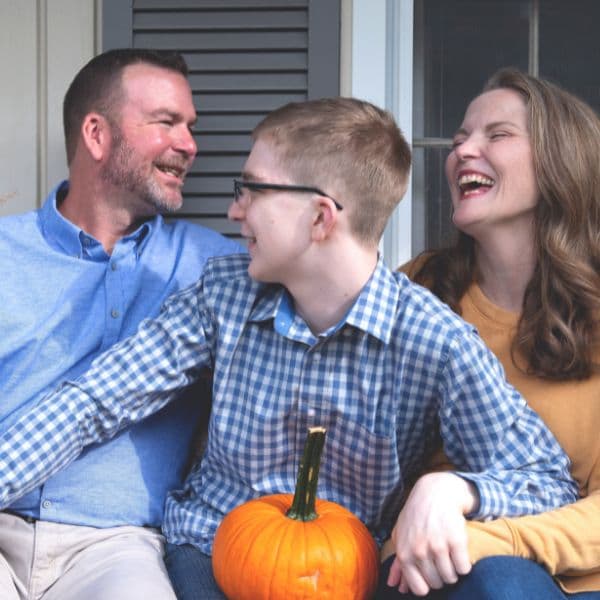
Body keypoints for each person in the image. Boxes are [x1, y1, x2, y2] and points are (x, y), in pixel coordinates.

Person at [0, 96, 578, 600]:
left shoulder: (433, 340)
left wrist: (456, 489)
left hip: (346, 569)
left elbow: (544, 477)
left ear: (319, 217)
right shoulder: (223, 296)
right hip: (212, 546)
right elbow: (94, 399)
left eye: (251, 190)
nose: (234, 210)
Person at [0, 48, 241, 600]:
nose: (190, 145)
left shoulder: (218, 270)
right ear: (97, 134)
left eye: (190, 126)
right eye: (166, 123)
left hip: (117, 546)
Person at [379, 68, 600, 599]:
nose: (462, 152)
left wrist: (481, 527)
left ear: (559, 163)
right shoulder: (419, 289)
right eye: (458, 140)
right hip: (429, 578)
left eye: (496, 135)